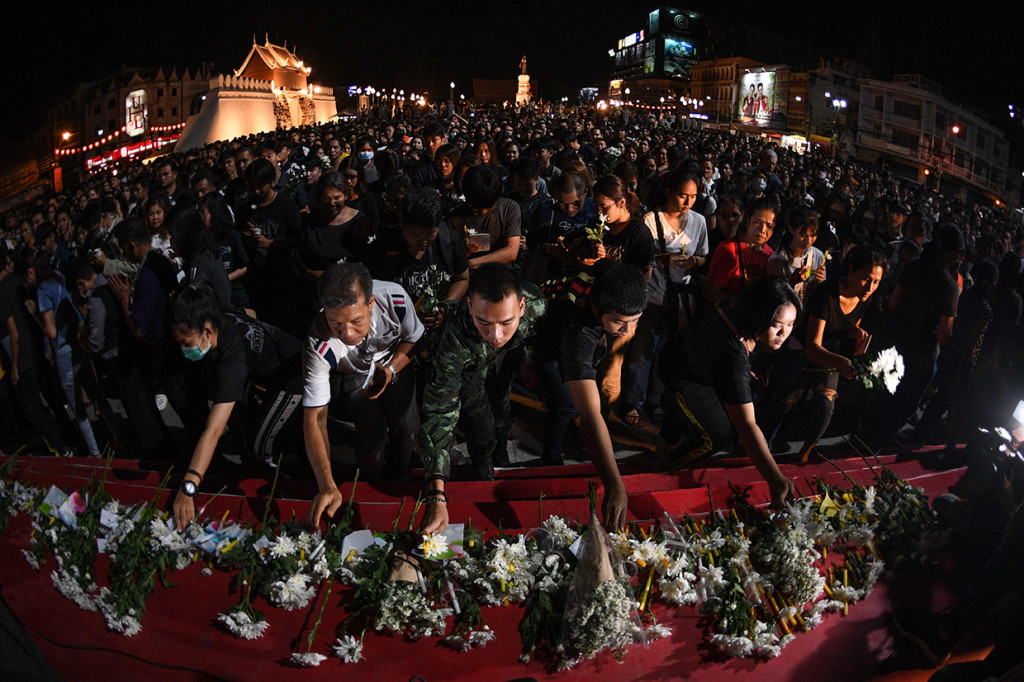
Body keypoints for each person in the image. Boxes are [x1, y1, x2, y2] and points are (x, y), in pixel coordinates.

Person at [419, 264, 547, 532]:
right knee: (479, 420)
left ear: (522, 306)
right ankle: (483, 462)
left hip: (506, 360)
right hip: (470, 368)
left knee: (502, 406)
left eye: (506, 322)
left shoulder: (537, 304)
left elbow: (537, 334)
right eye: (484, 322)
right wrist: (436, 492)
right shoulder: (454, 337)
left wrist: (527, 361)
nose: (495, 334)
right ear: (469, 306)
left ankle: (500, 452)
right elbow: (441, 411)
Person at [169, 285, 304, 531]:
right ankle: (260, 472)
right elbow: (249, 312)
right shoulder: (218, 314)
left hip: (295, 375)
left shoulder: (232, 354)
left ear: (206, 330)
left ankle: (285, 498)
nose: (183, 349)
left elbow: (214, 429)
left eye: (186, 342)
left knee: (262, 445)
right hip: (268, 375)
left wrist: (189, 485)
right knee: (250, 430)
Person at [658, 276, 800, 507]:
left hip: (698, 359)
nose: (784, 333)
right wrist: (775, 478)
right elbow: (746, 425)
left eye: (791, 324)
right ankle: (665, 467)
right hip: (683, 374)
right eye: (776, 324)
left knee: (698, 415)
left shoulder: (743, 305)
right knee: (718, 435)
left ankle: (671, 426)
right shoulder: (733, 351)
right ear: (759, 314)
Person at [304, 263, 423, 527]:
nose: (347, 334)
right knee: (371, 440)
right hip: (353, 373)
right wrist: (326, 484)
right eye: (336, 323)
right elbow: (315, 418)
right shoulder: (317, 344)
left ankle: (400, 482)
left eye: (356, 321)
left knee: (407, 428)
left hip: (393, 360)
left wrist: (391, 370)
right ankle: (372, 490)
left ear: (370, 302)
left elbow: (415, 338)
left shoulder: (395, 298)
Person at [533, 262, 646, 528]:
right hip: (546, 338)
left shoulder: (613, 279)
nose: (627, 331)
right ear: (596, 309)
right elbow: (591, 413)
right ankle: (550, 459)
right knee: (567, 404)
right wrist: (614, 484)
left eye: (635, 321)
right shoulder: (577, 333)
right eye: (619, 322)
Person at [624, 169, 708, 425]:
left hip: (681, 301)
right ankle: (633, 401)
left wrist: (694, 261)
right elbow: (637, 258)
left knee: (666, 352)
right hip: (652, 296)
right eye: (683, 195)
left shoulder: (699, 221)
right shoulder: (650, 220)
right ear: (669, 191)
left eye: (693, 197)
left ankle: (656, 399)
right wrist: (663, 259)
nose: (688, 202)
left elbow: (704, 257)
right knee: (642, 352)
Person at [799, 246, 887, 460]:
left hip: (832, 353)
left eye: (876, 282)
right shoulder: (827, 295)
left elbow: (847, 326)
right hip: (804, 350)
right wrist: (842, 363)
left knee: (826, 407)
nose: (870, 287)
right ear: (851, 270)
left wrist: (855, 334)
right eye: (866, 278)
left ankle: (805, 454)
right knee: (785, 402)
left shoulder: (866, 298)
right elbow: (812, 346)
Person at [705, 197, 777, 304]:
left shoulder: (769, 254)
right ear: (747, 220)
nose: (762, 230)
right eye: (757, 222)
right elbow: (710, 292)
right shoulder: (729, 249)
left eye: (769, 226)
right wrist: (743, 303)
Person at [766, 206, 827, 301]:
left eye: (813, 235)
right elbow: (774, 296)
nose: (808, 241)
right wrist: (792, 281)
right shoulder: (777, 260)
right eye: (803, 235)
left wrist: (820, 282)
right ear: (791, 230)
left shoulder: (817, 255)